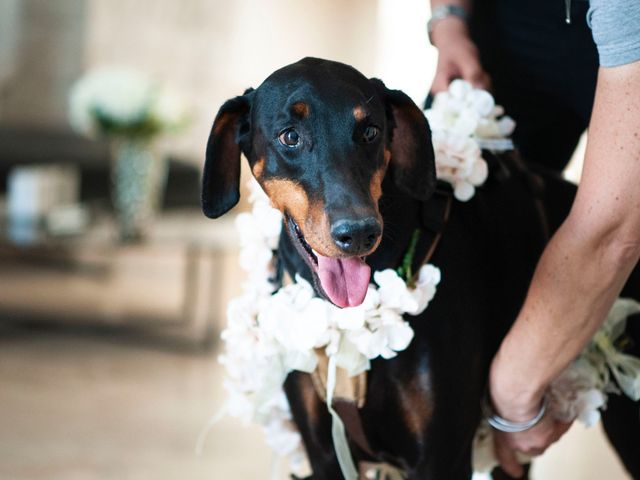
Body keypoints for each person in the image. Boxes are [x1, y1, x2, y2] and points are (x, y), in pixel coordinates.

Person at [428, 0, 640, 477]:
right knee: (441, 256)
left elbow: (613, 231)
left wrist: (513, 395)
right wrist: (448, 19)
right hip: (512, 27)